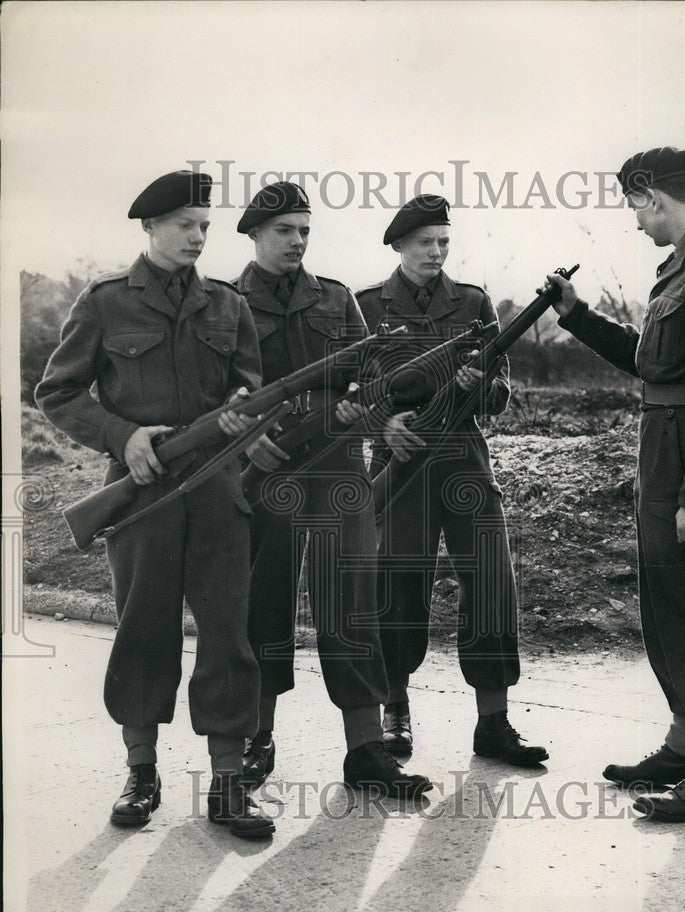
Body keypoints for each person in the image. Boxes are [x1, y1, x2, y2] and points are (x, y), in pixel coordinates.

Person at [35, 170, 275, 838]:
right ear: (150, 227)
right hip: (140, 494)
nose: (197, 237)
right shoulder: (106, 302)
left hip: (219, 491)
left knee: (228, 634)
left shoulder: (228, 305)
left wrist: (241, 411)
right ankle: (141, 772)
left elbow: (249, 386)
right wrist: (123, 436)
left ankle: (227, 782)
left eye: (204, 226)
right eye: (184, 225)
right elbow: (57, 393)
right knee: (144, 630)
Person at [546, 147, 685, 822]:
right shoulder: (683, 267)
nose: (636, 222)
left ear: (654, 197)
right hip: (665, 451)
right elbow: (653, 363)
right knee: (666, 603)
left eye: (635, 207)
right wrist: (576, 314)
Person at [234, 181, 431, 798]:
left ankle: (365, 749)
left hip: (338, 469)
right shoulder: (229, 303)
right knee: (263, 602)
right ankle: (256, 739)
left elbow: (370, 379)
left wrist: (370, 412)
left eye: (304, 231)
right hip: (269, 471)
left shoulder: (337, 298)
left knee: (351, 602)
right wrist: (247, 441)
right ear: (255, 234)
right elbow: (221, 396)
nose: (297, 241)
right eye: (284, 231)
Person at [356, 194, 548, 766]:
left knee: (490, 580)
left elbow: (500, 395)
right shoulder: (366, 307)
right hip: (400, 459)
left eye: (443, 241)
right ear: (399, 245)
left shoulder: (473, 303)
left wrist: (477, 385)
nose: (436, 252)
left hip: (463, 455)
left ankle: (494, 722)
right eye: (424, 242)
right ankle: (394, 712)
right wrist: (384, 424)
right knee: (397, 586)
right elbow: (346, 394)